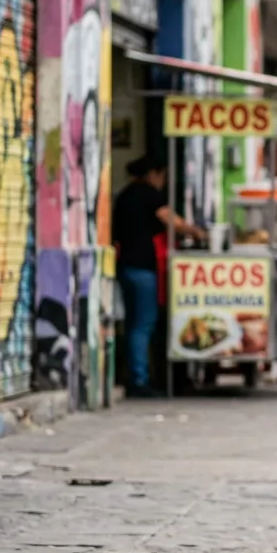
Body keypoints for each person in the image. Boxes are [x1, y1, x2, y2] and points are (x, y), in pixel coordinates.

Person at [112, 153, 207, 398]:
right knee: (143, 324)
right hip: (143, 267)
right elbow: (171, 220)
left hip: (125, 266)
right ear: (153, 174)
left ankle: (135, 375)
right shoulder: (148, 194)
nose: (163, 181)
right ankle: (139, 380)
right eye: (162, 176)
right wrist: (198, 233)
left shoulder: (124, 195)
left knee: (133, 322)